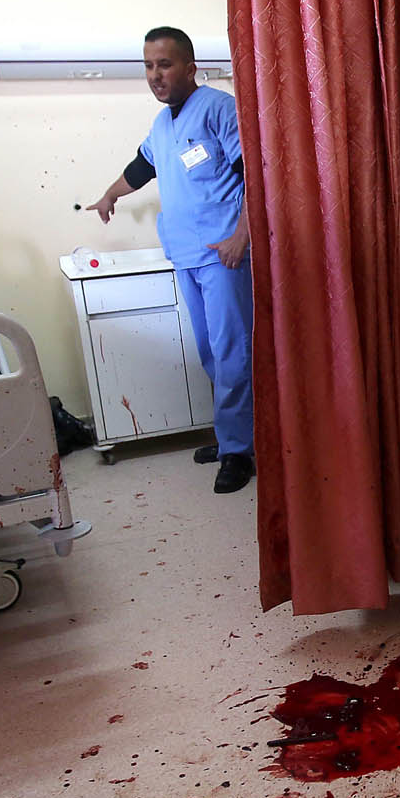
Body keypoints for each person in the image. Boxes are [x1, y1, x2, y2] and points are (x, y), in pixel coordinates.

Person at [87, 27, 255, 494]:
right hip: (185, 254)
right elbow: (141, 168)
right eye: (148, 66)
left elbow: (255, 177)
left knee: (232, 352)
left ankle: (239, 451)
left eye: (164, 64)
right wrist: (108, 196)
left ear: (189, 66)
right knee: (210, 353)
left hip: (224, 254)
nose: (155, 75)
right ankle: (232, 437)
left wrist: (241, 236)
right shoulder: (162, 126)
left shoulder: (219, 109)